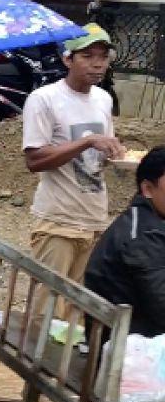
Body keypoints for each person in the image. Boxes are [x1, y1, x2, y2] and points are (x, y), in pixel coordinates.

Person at [23, 24, 124, 318]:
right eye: (88, 56)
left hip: (93, 218)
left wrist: (112, 152)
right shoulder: (44, 99)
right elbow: (34, 159)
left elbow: (96, 157)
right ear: (68, 59)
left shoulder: (103, 100)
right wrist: (88, 141)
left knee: (78, 313)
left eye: (104, 56)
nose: (98, 64)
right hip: (57, 220)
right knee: (46, 312)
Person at [84, 147, 165, 402]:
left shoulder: (145, 221)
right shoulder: (142, 235)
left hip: (125, 337)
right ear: (147, 188)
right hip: (124, 352)